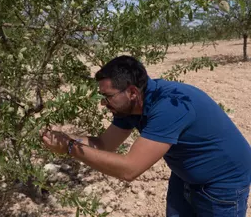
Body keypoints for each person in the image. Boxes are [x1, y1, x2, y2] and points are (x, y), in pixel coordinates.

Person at [42, 55, 251, 216]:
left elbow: (129, 170)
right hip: (185, 175)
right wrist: (63, 139)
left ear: (132, 92)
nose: (103, 103)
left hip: (222, 184)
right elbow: (104, 144)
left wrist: (70, 148)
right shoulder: (130, 107)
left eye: (107, 96)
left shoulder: (169, 107)